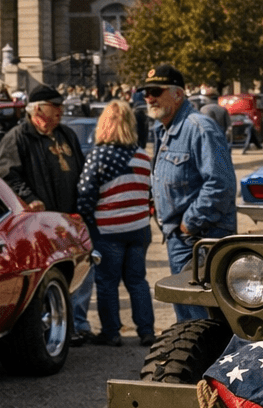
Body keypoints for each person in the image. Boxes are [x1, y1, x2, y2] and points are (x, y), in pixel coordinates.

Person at [0, 85, 94, 343]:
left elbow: (80, 170)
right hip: (37, 224)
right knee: (48, 278)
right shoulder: (18, 137)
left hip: (69, 219)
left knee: (76, 273)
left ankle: (74, 327)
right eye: (55, 106)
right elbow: (5, 174)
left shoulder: (66, 134)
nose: (61, 110)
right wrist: (29, 198)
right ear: (38, 108)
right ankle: (49, 332)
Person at [143, 64, 236, 322]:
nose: (149, 97)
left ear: (178, 94)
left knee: (202, 323)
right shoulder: (164, 129)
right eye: (146, 92)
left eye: (156, 91)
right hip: (180, 240)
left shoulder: (199, 128)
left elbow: (221, 185)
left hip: (201, 240)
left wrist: (189, 223)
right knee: (187, 320)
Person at [76, 100, 156, 347]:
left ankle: (111, 332)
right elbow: (148, 193)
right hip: (139, 228)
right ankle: (147, 331)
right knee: (137, 280)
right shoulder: (143, 156)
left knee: (107, 283)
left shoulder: (99, 155)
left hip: (108, 230)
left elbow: (85, 194)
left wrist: (86, 220)